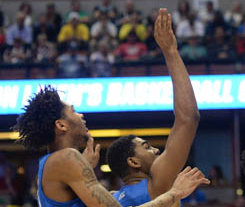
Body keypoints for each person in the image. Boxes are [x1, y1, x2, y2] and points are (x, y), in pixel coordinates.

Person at [11, 86, 209, 207]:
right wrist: (175, 193)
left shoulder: (51, 164)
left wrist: (85, 168)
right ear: (61, 125)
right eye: (74, 111)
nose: (81, 115)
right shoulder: (67, 158)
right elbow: (189, 118)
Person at [107, 8, 201, 206]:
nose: (156, 151)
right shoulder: (157, 183)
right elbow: (188, 118)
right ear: (134, 163)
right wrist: (170, 51)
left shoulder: (112, 198)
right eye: (147, 147)